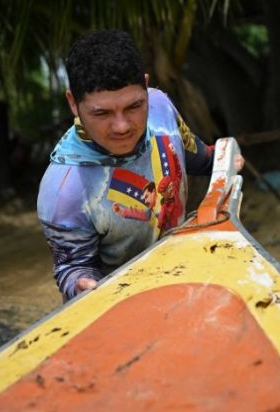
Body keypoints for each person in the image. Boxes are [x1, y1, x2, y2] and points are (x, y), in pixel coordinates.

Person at [37, 29, 222, 301]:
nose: (122, 126)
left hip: (185, 284)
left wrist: (222, 159)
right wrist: (80, 284)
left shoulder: (160, 105)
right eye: (102, 113)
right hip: (121, 310)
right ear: (73, 103)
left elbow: (194, 155)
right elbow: (73, 268)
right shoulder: (63, 189)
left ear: (146, 87)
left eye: (134, 106)